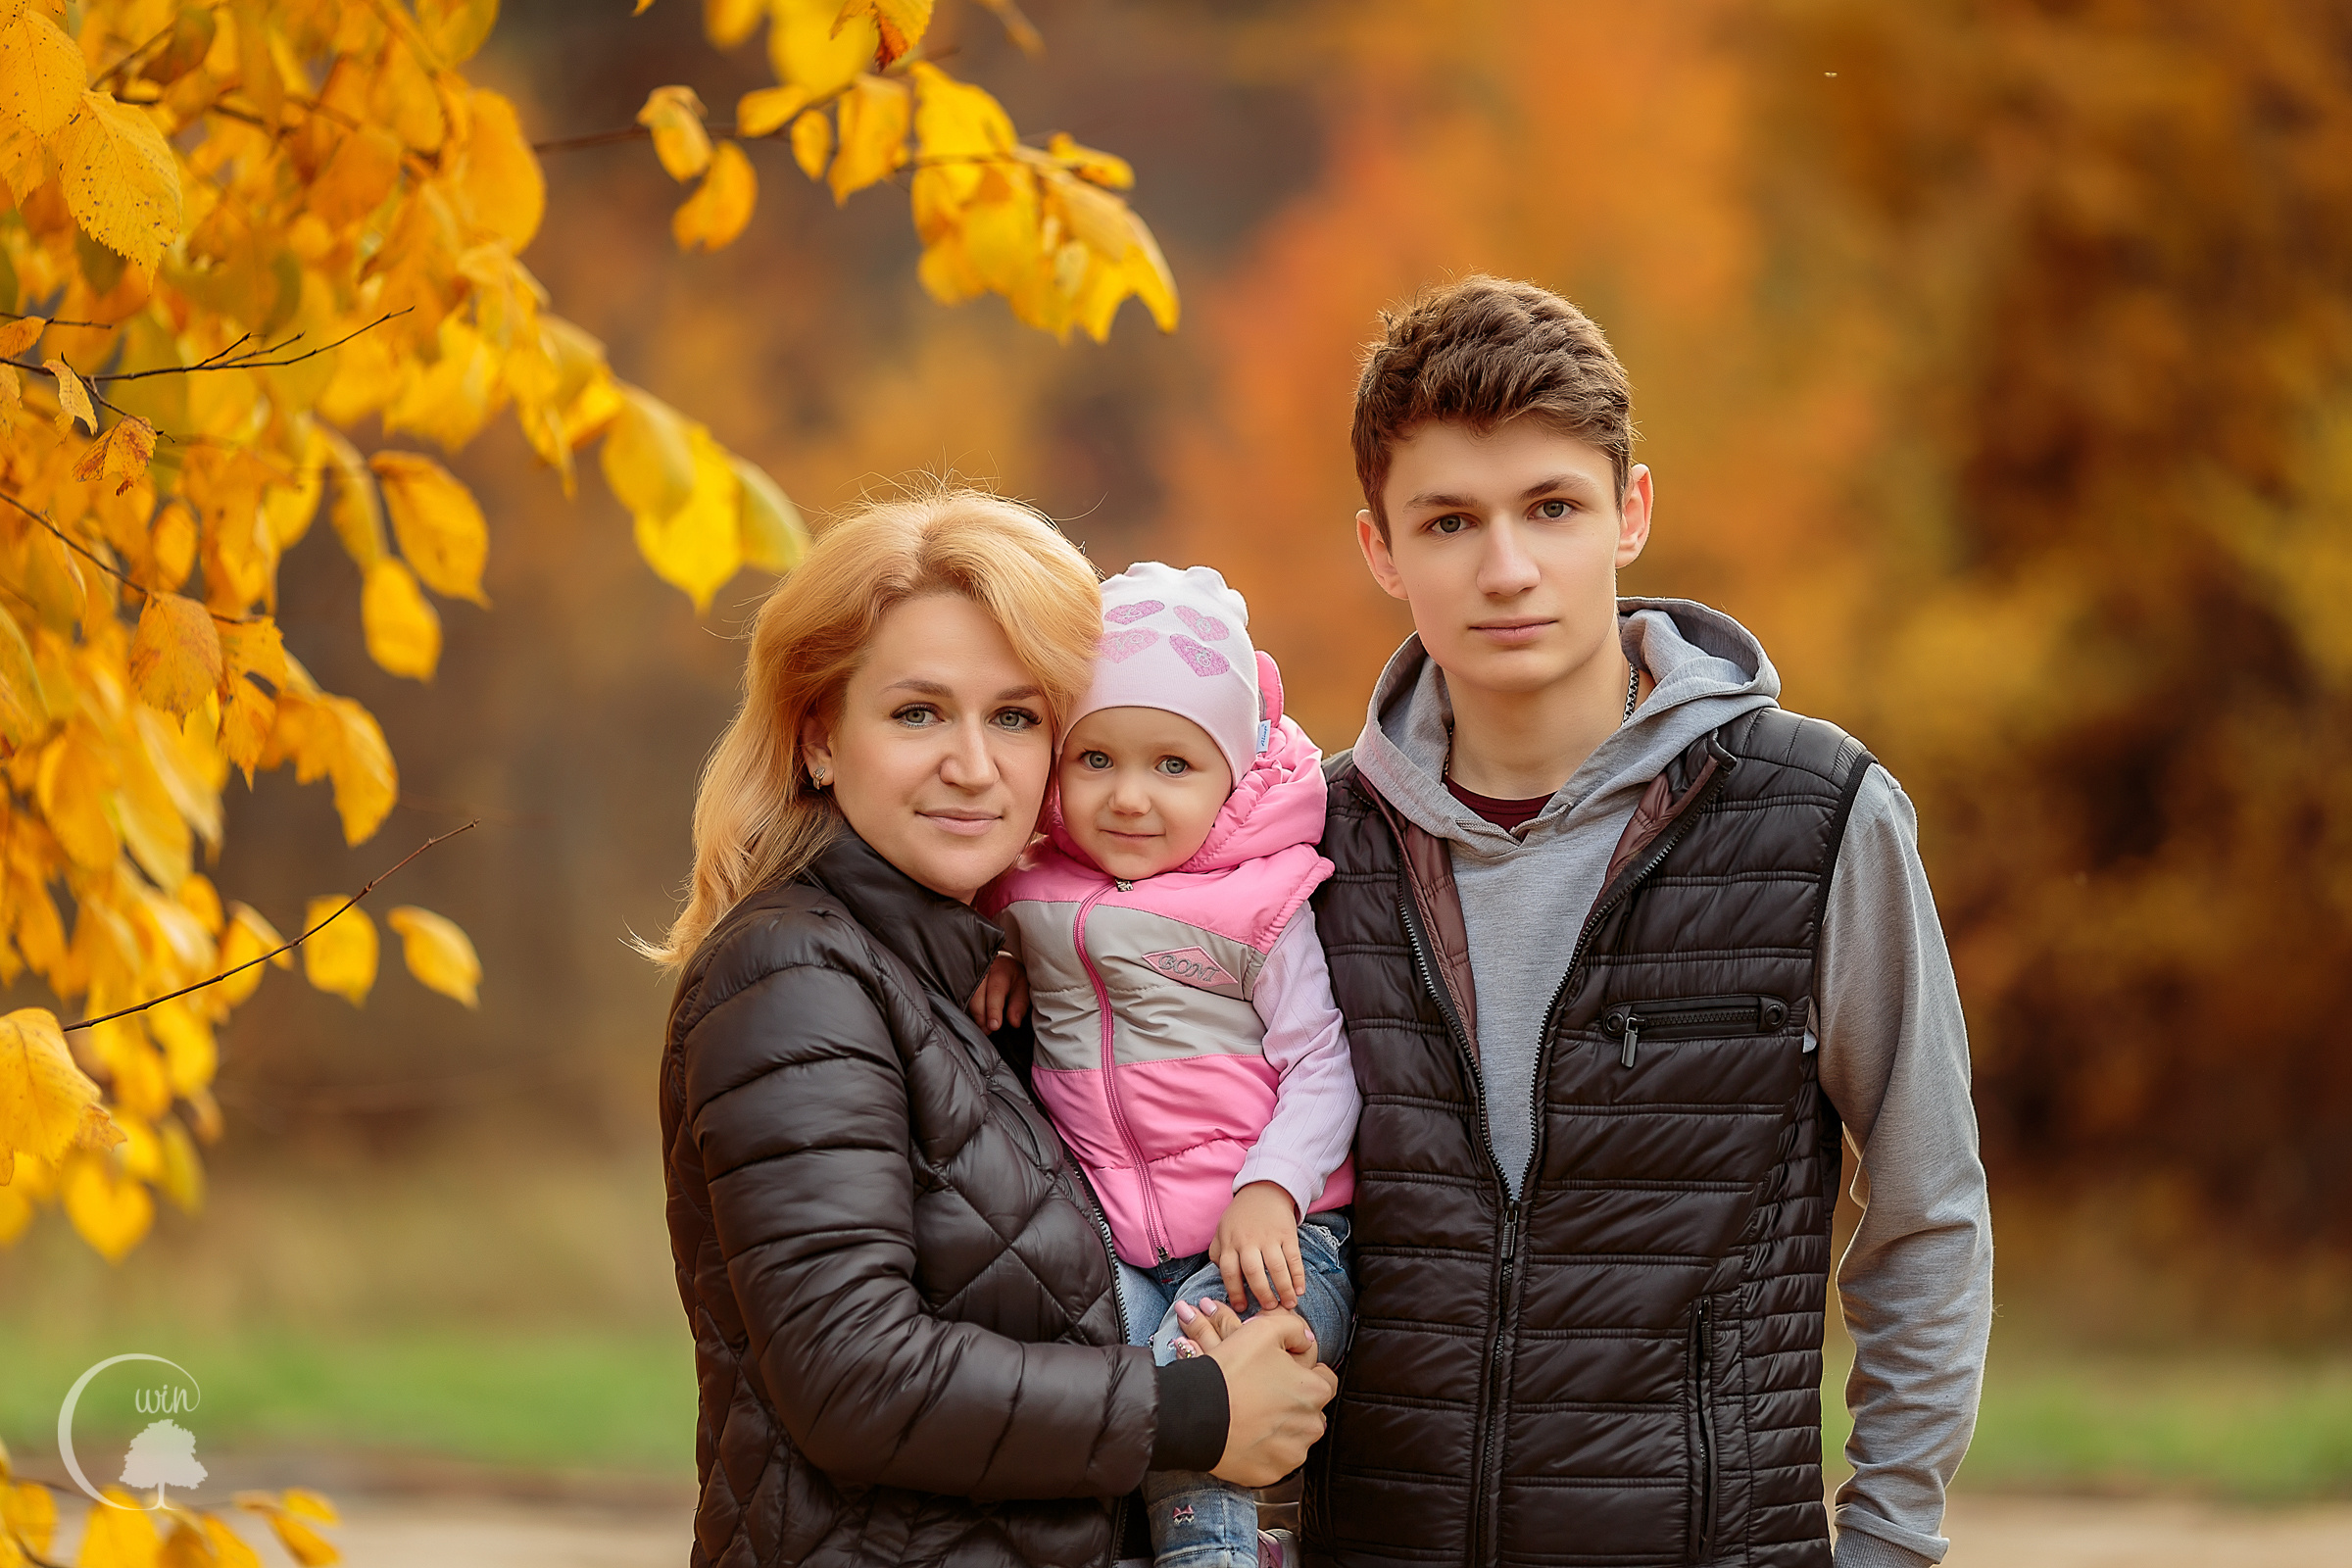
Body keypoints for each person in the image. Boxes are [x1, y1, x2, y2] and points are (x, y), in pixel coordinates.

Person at [1292, 278, 1994, 1567]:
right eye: (1449, 521)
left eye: (1550, 508)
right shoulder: (1303, 849)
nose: (1506, 568)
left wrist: (1889, 1545)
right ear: (1380, 548)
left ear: (1631, 513)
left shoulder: (1818, 816)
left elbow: (1928, 1211)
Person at [647, 489, 1338, 1568]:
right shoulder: (793, 975)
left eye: (1016, 716)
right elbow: (853, 1375)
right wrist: (1191, 1408)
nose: (974, 765)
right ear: (820, 739)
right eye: (918, 712)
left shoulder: (993, 978)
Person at [968, 564, 1360, 1568]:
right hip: (1117, 1239)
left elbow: (1323, 1064)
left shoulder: (1259, 906)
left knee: (1197, 1380)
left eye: (1174, 765)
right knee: (1095, 1375)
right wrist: (1012, 959)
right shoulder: (1033, 889)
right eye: (1096, 758)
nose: (1129, 796)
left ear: (1231, 771)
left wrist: (1273, 1189)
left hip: (1267, 1245)